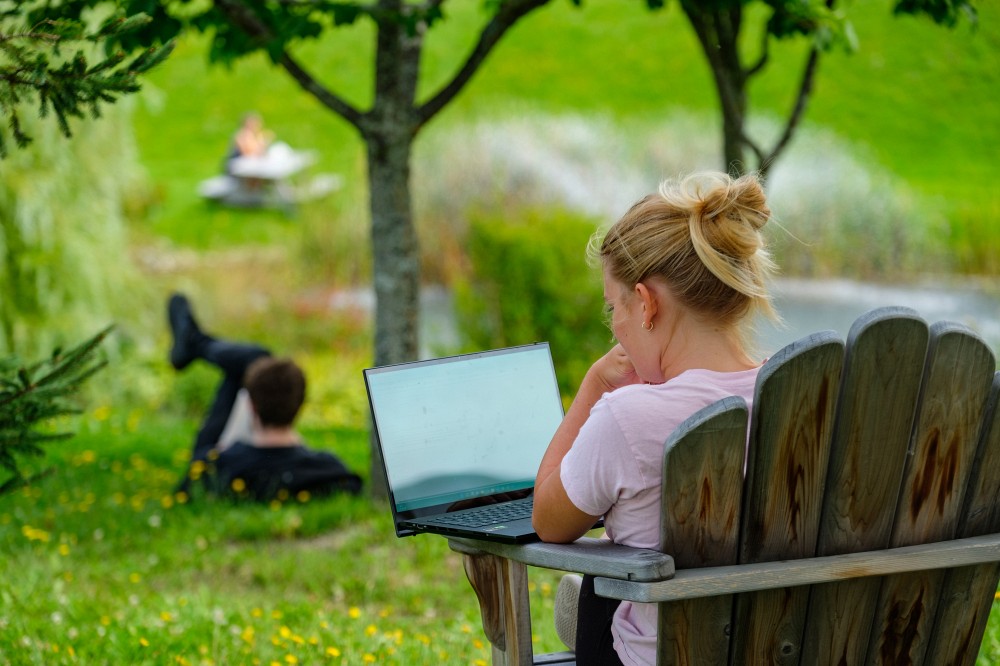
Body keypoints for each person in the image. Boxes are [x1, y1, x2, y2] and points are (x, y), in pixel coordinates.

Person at [531, 171, 778, 666]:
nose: (615, 328)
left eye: (613, 308)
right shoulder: (803, 394)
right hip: (782, 643)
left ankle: (589, 605)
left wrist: (595, 385)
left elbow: (548, 519)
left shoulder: (629, 416)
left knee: (596, 590)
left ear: (646, 304)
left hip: (658, 653)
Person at [168, 293, 362, 501]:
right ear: (300, 405)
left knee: (254, 360)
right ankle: (194, 341)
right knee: (259, 363)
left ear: (251, 406)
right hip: (287, 457)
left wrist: (222, 453)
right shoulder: (327, 467)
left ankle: (195, 342)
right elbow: (353, 484)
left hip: (233, 457)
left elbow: (186, 490)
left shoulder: (215, 467)